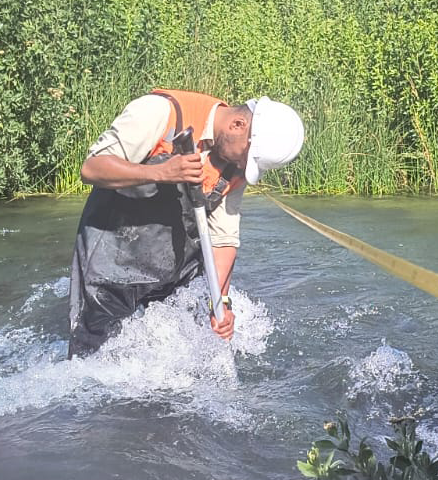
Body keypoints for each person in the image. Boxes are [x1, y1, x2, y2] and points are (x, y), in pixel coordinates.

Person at [67, 88, 304, 357]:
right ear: (238, 125)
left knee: (185, 362)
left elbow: (223, 238)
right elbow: (92, 168)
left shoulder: (235, 164)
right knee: (94, 360)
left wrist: (221, 302)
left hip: (177, 271)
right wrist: (160, 172)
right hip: (112, 262)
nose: (242, 163)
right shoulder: (158, 112)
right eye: (244, 156)